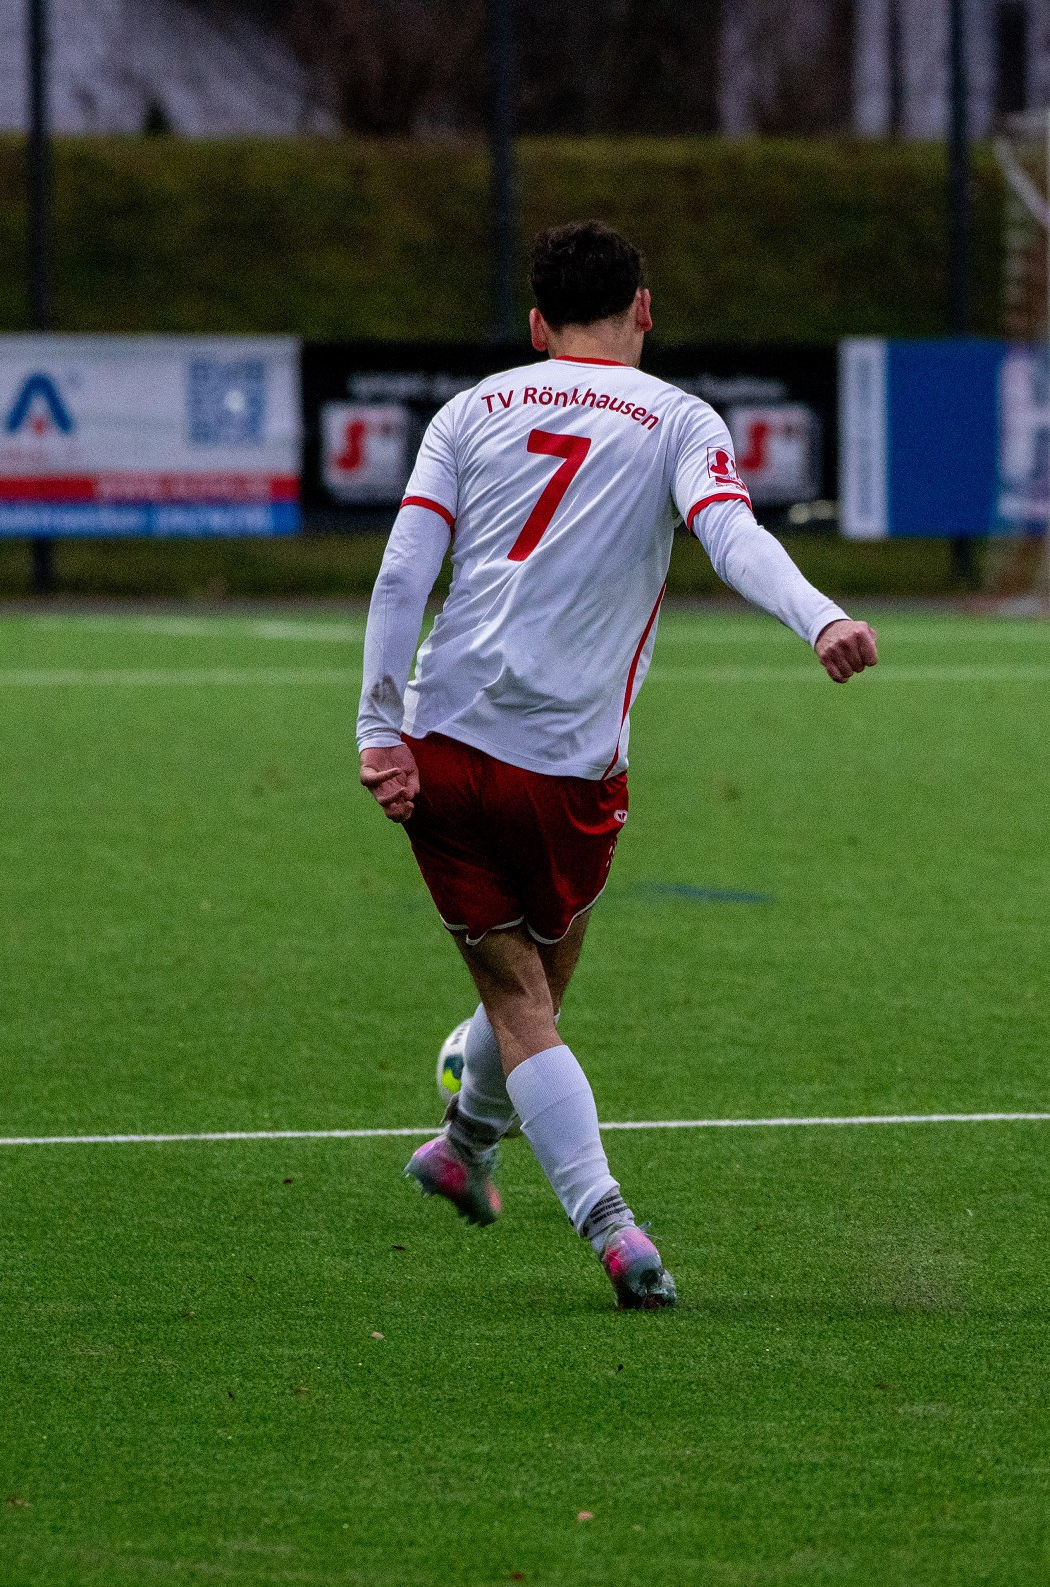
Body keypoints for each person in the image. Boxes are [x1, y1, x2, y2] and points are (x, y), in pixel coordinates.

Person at [356, 220, 879, 1308]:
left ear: (536, 324)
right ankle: (613, 1225)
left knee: (527, 995)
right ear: (644, 308)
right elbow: (730, 536)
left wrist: (378, 724)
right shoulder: (677, 417)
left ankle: (464, 1143)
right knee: (526, 1001)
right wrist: (819, 615)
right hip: (569, 766)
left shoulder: (469, 410)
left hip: (444, 742)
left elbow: (405, 569)